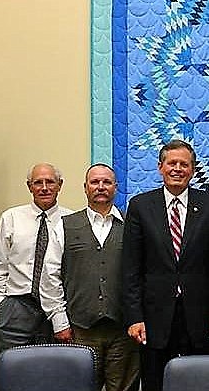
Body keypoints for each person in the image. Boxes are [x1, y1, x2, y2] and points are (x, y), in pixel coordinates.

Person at [123, 139, 209, 391]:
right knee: (156, 383)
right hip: (154, 318)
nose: (178, 169)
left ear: (192, 169)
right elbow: (131, 268)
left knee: (199, 382)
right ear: (160, 167)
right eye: (172, 163)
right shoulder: (140, 206)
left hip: (200, 317)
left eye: (184, 164)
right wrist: (135, 317)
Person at [40, 164, 139, 391]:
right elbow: (50, 277)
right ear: (85, 188)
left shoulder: (131, 225)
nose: (100, 187)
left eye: (106, 182)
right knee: (79, 386)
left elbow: (141, 275)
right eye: (95, 182)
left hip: (123, 331)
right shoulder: (65, 226)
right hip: (79, 330)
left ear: (116, 187)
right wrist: (60, 322)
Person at [0, 163, 73, 354]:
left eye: (50, 182)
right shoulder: (11, 217)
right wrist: (0, 304)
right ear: (29, 186)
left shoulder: (72, 221)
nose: (44, 188)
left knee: (52, 371)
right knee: (12, 371)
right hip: (16, 306)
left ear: (60, 185)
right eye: (38, 182)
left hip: (56, 310)